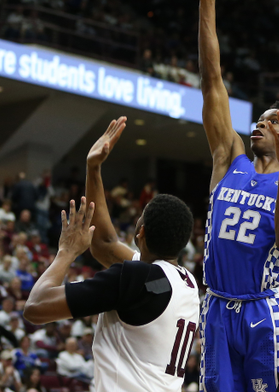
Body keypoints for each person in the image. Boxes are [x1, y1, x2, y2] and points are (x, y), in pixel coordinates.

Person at [177, 0, 279, 392]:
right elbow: (212, 81)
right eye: (258, 120)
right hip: (218, 307)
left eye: (271, 122)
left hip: (265, 310)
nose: (259, 125)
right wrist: (206, 0)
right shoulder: (229, 157)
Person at [24, 121, 199, 392]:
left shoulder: (137, 279)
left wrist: (65, 253)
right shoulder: (184, 282)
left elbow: (35, 308)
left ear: (140, 232)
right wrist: (94, 169)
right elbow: (104, 244)